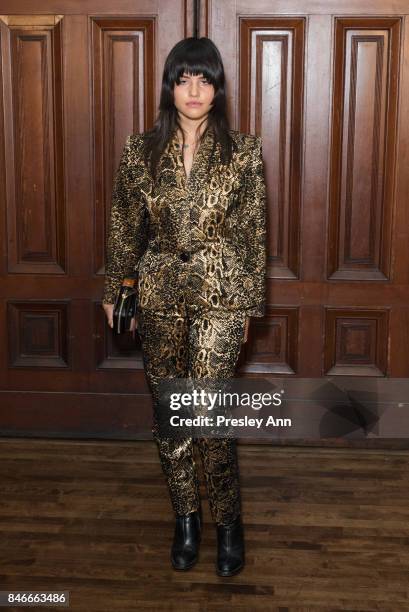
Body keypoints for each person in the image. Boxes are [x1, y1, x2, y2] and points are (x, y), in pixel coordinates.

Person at [102, 36, 267, 577]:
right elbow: (125, 225)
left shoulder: (244, 152)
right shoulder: (139, 151)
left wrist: (245, 308)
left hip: (220, 293)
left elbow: (250, 235)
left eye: (204, 79)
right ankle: (187, 519)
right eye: (183, 79)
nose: (194, 90)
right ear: (170, 86)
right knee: (171, 417)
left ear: (218, 88)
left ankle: (229, 524)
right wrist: (115, 289)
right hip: (158, 293)